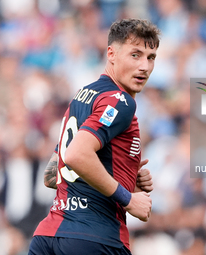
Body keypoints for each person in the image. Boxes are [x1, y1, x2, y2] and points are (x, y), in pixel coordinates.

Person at [28, 18, 160, 255]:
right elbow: (77, 154)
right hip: (94, 238)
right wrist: (127, 197)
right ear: (111, 53)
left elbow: (51, 176)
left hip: (47, 237)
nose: (145, 66)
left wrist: (125, 176)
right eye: (135, 55)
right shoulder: (121, 101)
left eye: (151, 58)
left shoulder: (83, 96)